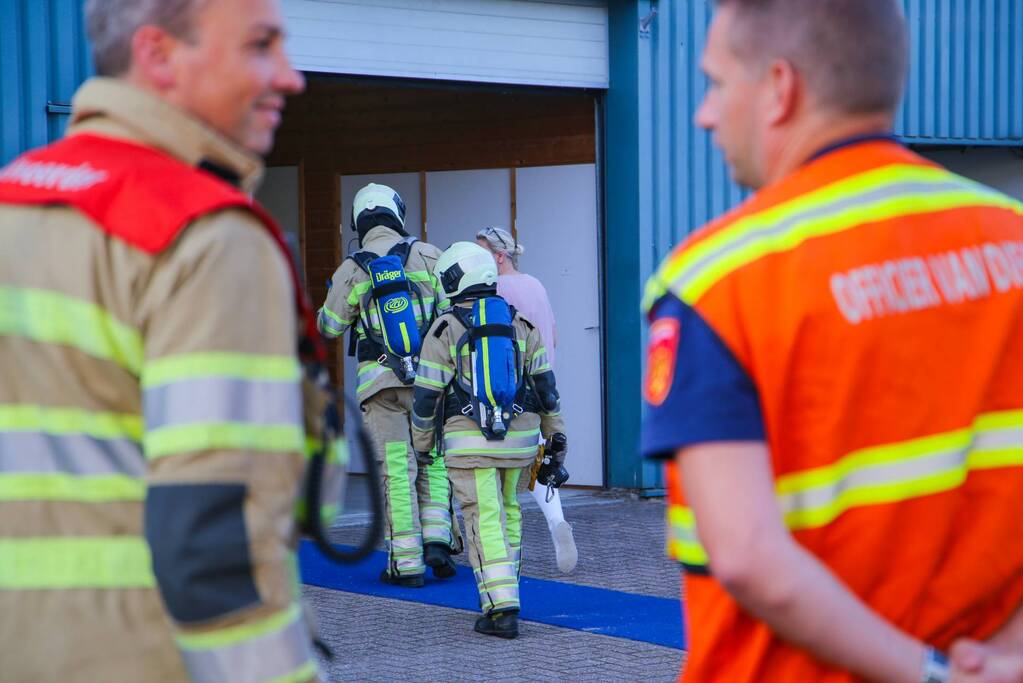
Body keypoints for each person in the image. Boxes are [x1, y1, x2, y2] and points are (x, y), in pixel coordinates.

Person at [640, 1, 1023, 682]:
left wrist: (931, 676)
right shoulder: (1009, 239)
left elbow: (749, 556)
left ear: (779, 88)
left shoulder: (718, 283)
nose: (704, 114)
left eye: (717, 83)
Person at [0, 0, 327, 680]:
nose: (290, 76)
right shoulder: (208, 238)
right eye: (260, 45)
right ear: (158, 55)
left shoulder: (13, 201)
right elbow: (217, 550)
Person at [410, 242, 567, 639]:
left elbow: (426, 396)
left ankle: (501, 608)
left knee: (483, 518)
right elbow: (546, 390)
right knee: (509, 510)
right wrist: (555, 435)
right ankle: (507, 590)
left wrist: (423, 444)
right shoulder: (521, 324)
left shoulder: (444, 328)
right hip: (520, 441)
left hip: (470, 444)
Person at [318, 183, 460, 587]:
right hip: (430, 385)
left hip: (380, 388)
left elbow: (329, 327)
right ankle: (438, 539)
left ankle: (407, 564)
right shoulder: (430, 255)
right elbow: (451, 318)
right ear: (397, 214)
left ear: (358, 222)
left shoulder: (352, 268)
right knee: (433, 459)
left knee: (397, 469)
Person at [476, 226, 577, 574]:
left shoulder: (495, 290)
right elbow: (554, 337)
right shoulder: (536, 285)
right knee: (538, 465)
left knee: (495, 469)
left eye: (481, 252)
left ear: (498, 256)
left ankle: (499, 547)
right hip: (542, 387)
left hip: (510, 390)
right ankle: (558, 523)